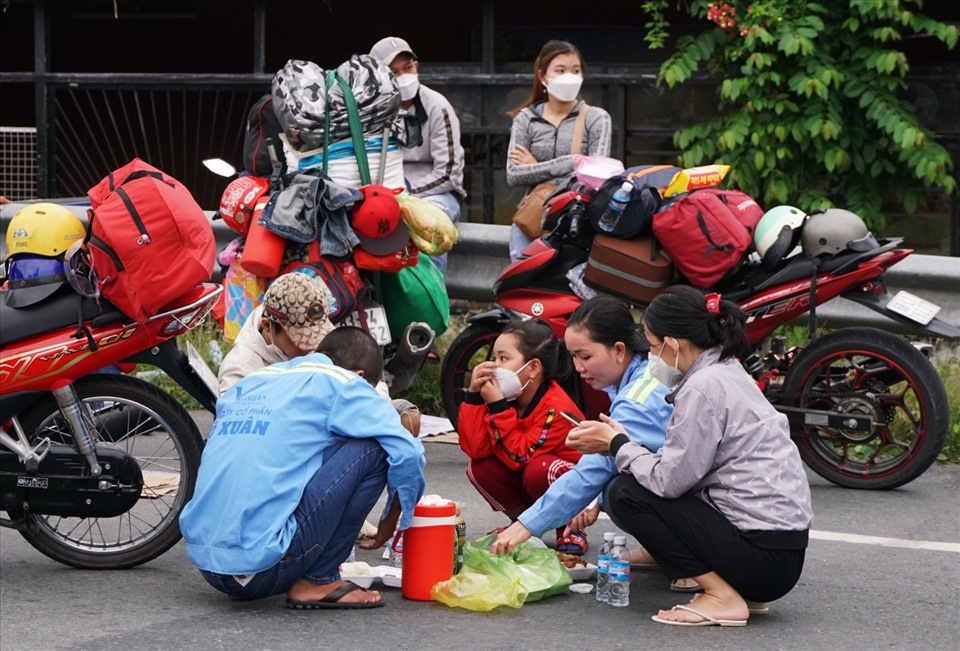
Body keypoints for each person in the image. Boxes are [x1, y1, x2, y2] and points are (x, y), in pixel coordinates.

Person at [565, 286, 813, 626]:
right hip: (781, 556)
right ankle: (735, 591)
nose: (651, 357)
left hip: (762, 560)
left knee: (624, 492)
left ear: (671, 344)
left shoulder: (701, 387)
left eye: (652, 346)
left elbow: (669, 481)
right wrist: (625, 444)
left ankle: (720, 596)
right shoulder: (727, 369)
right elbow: (685, 465)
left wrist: (618, 444)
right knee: (638, 477)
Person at [180, 327, 426, 609]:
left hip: (210, 566)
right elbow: (408, 452)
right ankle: (319, 579)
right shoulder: (345, 383)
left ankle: (286, 563)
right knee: (375, 447)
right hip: (263, 571)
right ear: (360, 376)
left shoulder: (256, 380)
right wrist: (391, 520)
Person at [489, 296, 673, 562]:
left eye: (585, 356)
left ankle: (686, 565)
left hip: (705, 506)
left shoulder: (637, 399)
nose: (578, 367)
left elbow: (592, 471)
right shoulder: (639, 378)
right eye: (573, 356)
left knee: (618, 491)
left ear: (619, 350)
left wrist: (524, 526)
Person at [217, 271, 421, 434]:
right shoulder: (240, 369)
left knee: (404, 418)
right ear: (267, 326)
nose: (311, 346)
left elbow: (371, 384)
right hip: (288, 446)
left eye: (316, 334)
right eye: (300, 338)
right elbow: (239, 432)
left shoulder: (317, 332)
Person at [457, 318, 587, 552]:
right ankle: (522, 525)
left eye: (504, 359)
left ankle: (570, 528)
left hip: (565, 480)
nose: (494, 367)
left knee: (540, 469)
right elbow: (476, 448)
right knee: (480, 468)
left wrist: (498, 408)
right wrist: (474, 397)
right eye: (494, 358)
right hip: (526, 475)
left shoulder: (556, 407)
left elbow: (521, 456)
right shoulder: (504, 396)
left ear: (533, 368)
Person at [506, 40, 612, 261]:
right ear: (543, 76)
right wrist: (571, 163)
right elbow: (513, 175)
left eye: (576, 71)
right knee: (523, 277)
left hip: (578, 218)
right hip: (533, 219)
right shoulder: (525, 119)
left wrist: (535, 167)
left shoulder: (597, 118)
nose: (569, 77)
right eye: (561, 70)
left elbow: (597, 178)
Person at [369, 36, 466, 276]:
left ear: (417, 65)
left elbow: (449, 174)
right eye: (394, 72)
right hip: (384, 193)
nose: (403, 76)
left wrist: (405, 193)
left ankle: (431, 292)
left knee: (429, 224)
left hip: (434, 194)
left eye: (408, 68)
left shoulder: (437, 107)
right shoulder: (371, 112)